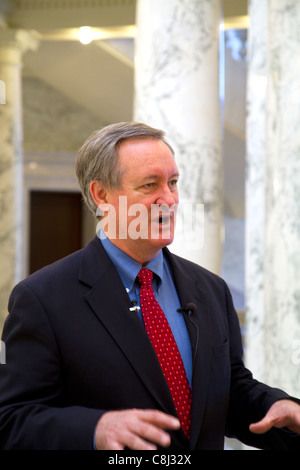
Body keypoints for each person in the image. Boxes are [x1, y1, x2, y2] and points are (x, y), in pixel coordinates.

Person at [0, 121, 300, 450]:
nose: (169, 199)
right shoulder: (42, 299)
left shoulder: (211, 289)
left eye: (173, 183)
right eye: (149, 185)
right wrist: (95, 430)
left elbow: (228, 391)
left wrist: (276, 405)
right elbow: (12, 419)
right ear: (101, 195)